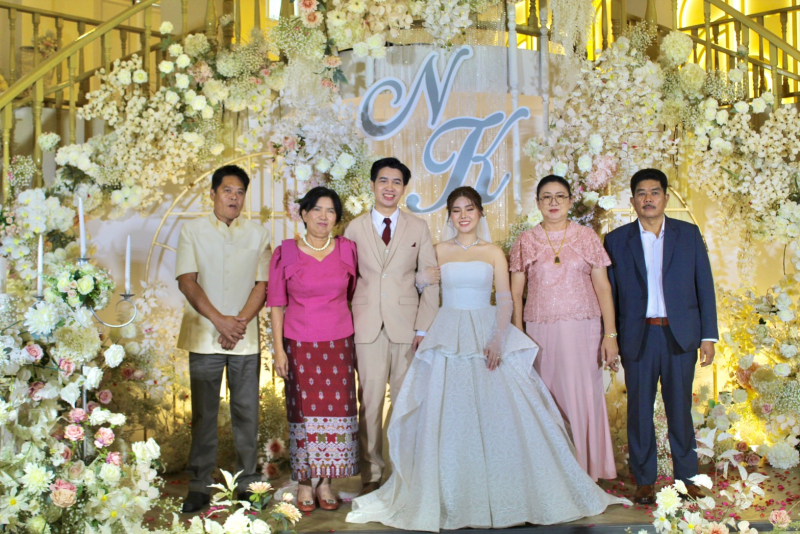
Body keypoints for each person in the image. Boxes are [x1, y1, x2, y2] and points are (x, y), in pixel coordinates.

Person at [346, 186, 629, 532]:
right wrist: (421, 281)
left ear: (480, 213)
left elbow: (507, 298)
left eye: (469, 209)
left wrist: (498, 338)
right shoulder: (438, 250)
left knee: (501, 414)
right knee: (449, 413)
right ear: (450, 216)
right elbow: (424, 289)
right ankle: (451, 491)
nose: (463, 215)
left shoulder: (494, 251)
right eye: (456, 210)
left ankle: (507, 491)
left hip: (485, 328)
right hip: (448, 330)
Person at [604, 168, 718, 505]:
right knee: (639, 411)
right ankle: (644, 481)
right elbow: (610, 295)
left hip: (679, 336)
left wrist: (708, 336)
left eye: (655, 192)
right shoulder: (616, 240)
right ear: (632, 200)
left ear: (665, 197)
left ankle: (687, 479)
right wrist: (610, 337)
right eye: (641, 193)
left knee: (680, 409)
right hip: (638, 336)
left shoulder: (688, 234)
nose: (648, 198)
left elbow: (704, 285)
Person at [509, 175, 619, 481]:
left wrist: (610, 335)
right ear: (538, 203)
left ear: (571, 201)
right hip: (539, 332)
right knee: (546, 397)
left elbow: (603, 287)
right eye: (546, 197)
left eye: (560, 196)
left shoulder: (587, 237)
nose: (553, 202)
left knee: (582, 395)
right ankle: (553, 477)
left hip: (583, 330)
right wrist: (518, 335)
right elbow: (516, 293)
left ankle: (587, 471)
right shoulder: (525, 241)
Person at [175, 165, 272, 513]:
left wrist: (238, 324)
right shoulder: (192, 230)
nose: (234, 197)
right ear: (213, 194)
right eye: (227, 190)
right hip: (204, 335)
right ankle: (199, 485)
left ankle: (247, 483)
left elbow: (263, 284)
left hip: (244, 338)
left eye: (240, 192)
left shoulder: (259, 234)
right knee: (204, 414)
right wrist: (220, 321)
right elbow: (187, 281)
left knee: (247, 414)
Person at [343, 157, 439, 497]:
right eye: (383, 180)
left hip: (407, 328)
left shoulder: (418, 228)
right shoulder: (353, 228)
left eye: (396, 182)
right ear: (372, 185)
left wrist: (423, 328)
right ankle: (371, 474)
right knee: (368, 403)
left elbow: (432, 280)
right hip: (365, 326)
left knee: (405, 403)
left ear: (404, 188)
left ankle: (403, 472)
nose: (389, 187)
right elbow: (344, 280)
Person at [267, 187, 359, 513]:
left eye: (331, 210)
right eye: (317, 209)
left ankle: (326, 483)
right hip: (299, 343)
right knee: (302, 414)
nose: (323, 216)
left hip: (339, 343)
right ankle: (305, 482)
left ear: (337, 218)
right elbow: (276, 304)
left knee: (337, 413)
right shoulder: (286, 252)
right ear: (303, 214)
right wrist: (279, 351)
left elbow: (353, 294)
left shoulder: (347, 249)